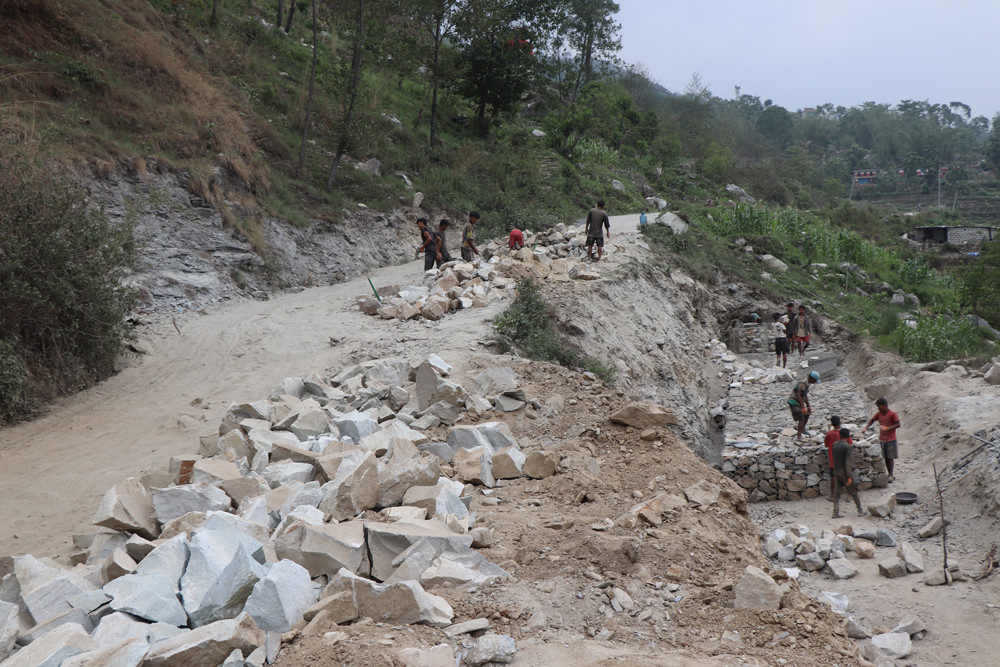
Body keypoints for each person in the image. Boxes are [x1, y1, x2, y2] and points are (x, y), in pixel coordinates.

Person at [861, 398, 901, 483]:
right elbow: (872, 420)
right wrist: (866, 428)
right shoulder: (879, 414)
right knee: (885, 457)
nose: (878, 409)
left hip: (891, 439)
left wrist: (888, 428)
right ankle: (888, 474)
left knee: (890, 458)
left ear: (884, 405)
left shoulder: (892, 414)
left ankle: (891, 474)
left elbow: (898, 424)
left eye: (879, 407)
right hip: (882, 439)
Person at [831, 428, 865, 519]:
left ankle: (835, 512)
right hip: (844, 473)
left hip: (836, 471)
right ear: (848, 436)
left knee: (837, 493)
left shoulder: (834, 445)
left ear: (840, 435)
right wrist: (849, 476)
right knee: (853, 491)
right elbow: (848, 463)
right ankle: (860, 510)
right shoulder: (848, 447)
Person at [824, 416, 853, 500]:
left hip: (834, 460)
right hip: (844, 459)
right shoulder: (845, 433)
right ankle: (849, 495)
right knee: (848, 476)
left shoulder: (829, 433)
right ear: (840, 423)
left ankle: (833, 496)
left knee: (833, 477)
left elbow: (826, 444)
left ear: (832, 424)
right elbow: (850, 444)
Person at [788, 370, 820, 442]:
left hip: (798, 402)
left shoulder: (807, 384)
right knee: (801, 418)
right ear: (812, 378)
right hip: (794, 402)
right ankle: (799, 436)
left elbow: (804, 395)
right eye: (815, 380)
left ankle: (802, 429)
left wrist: (808, 406)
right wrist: (802, 406)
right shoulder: (803, 383)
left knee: (807, 414)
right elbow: (799, 394)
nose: (815, 382)